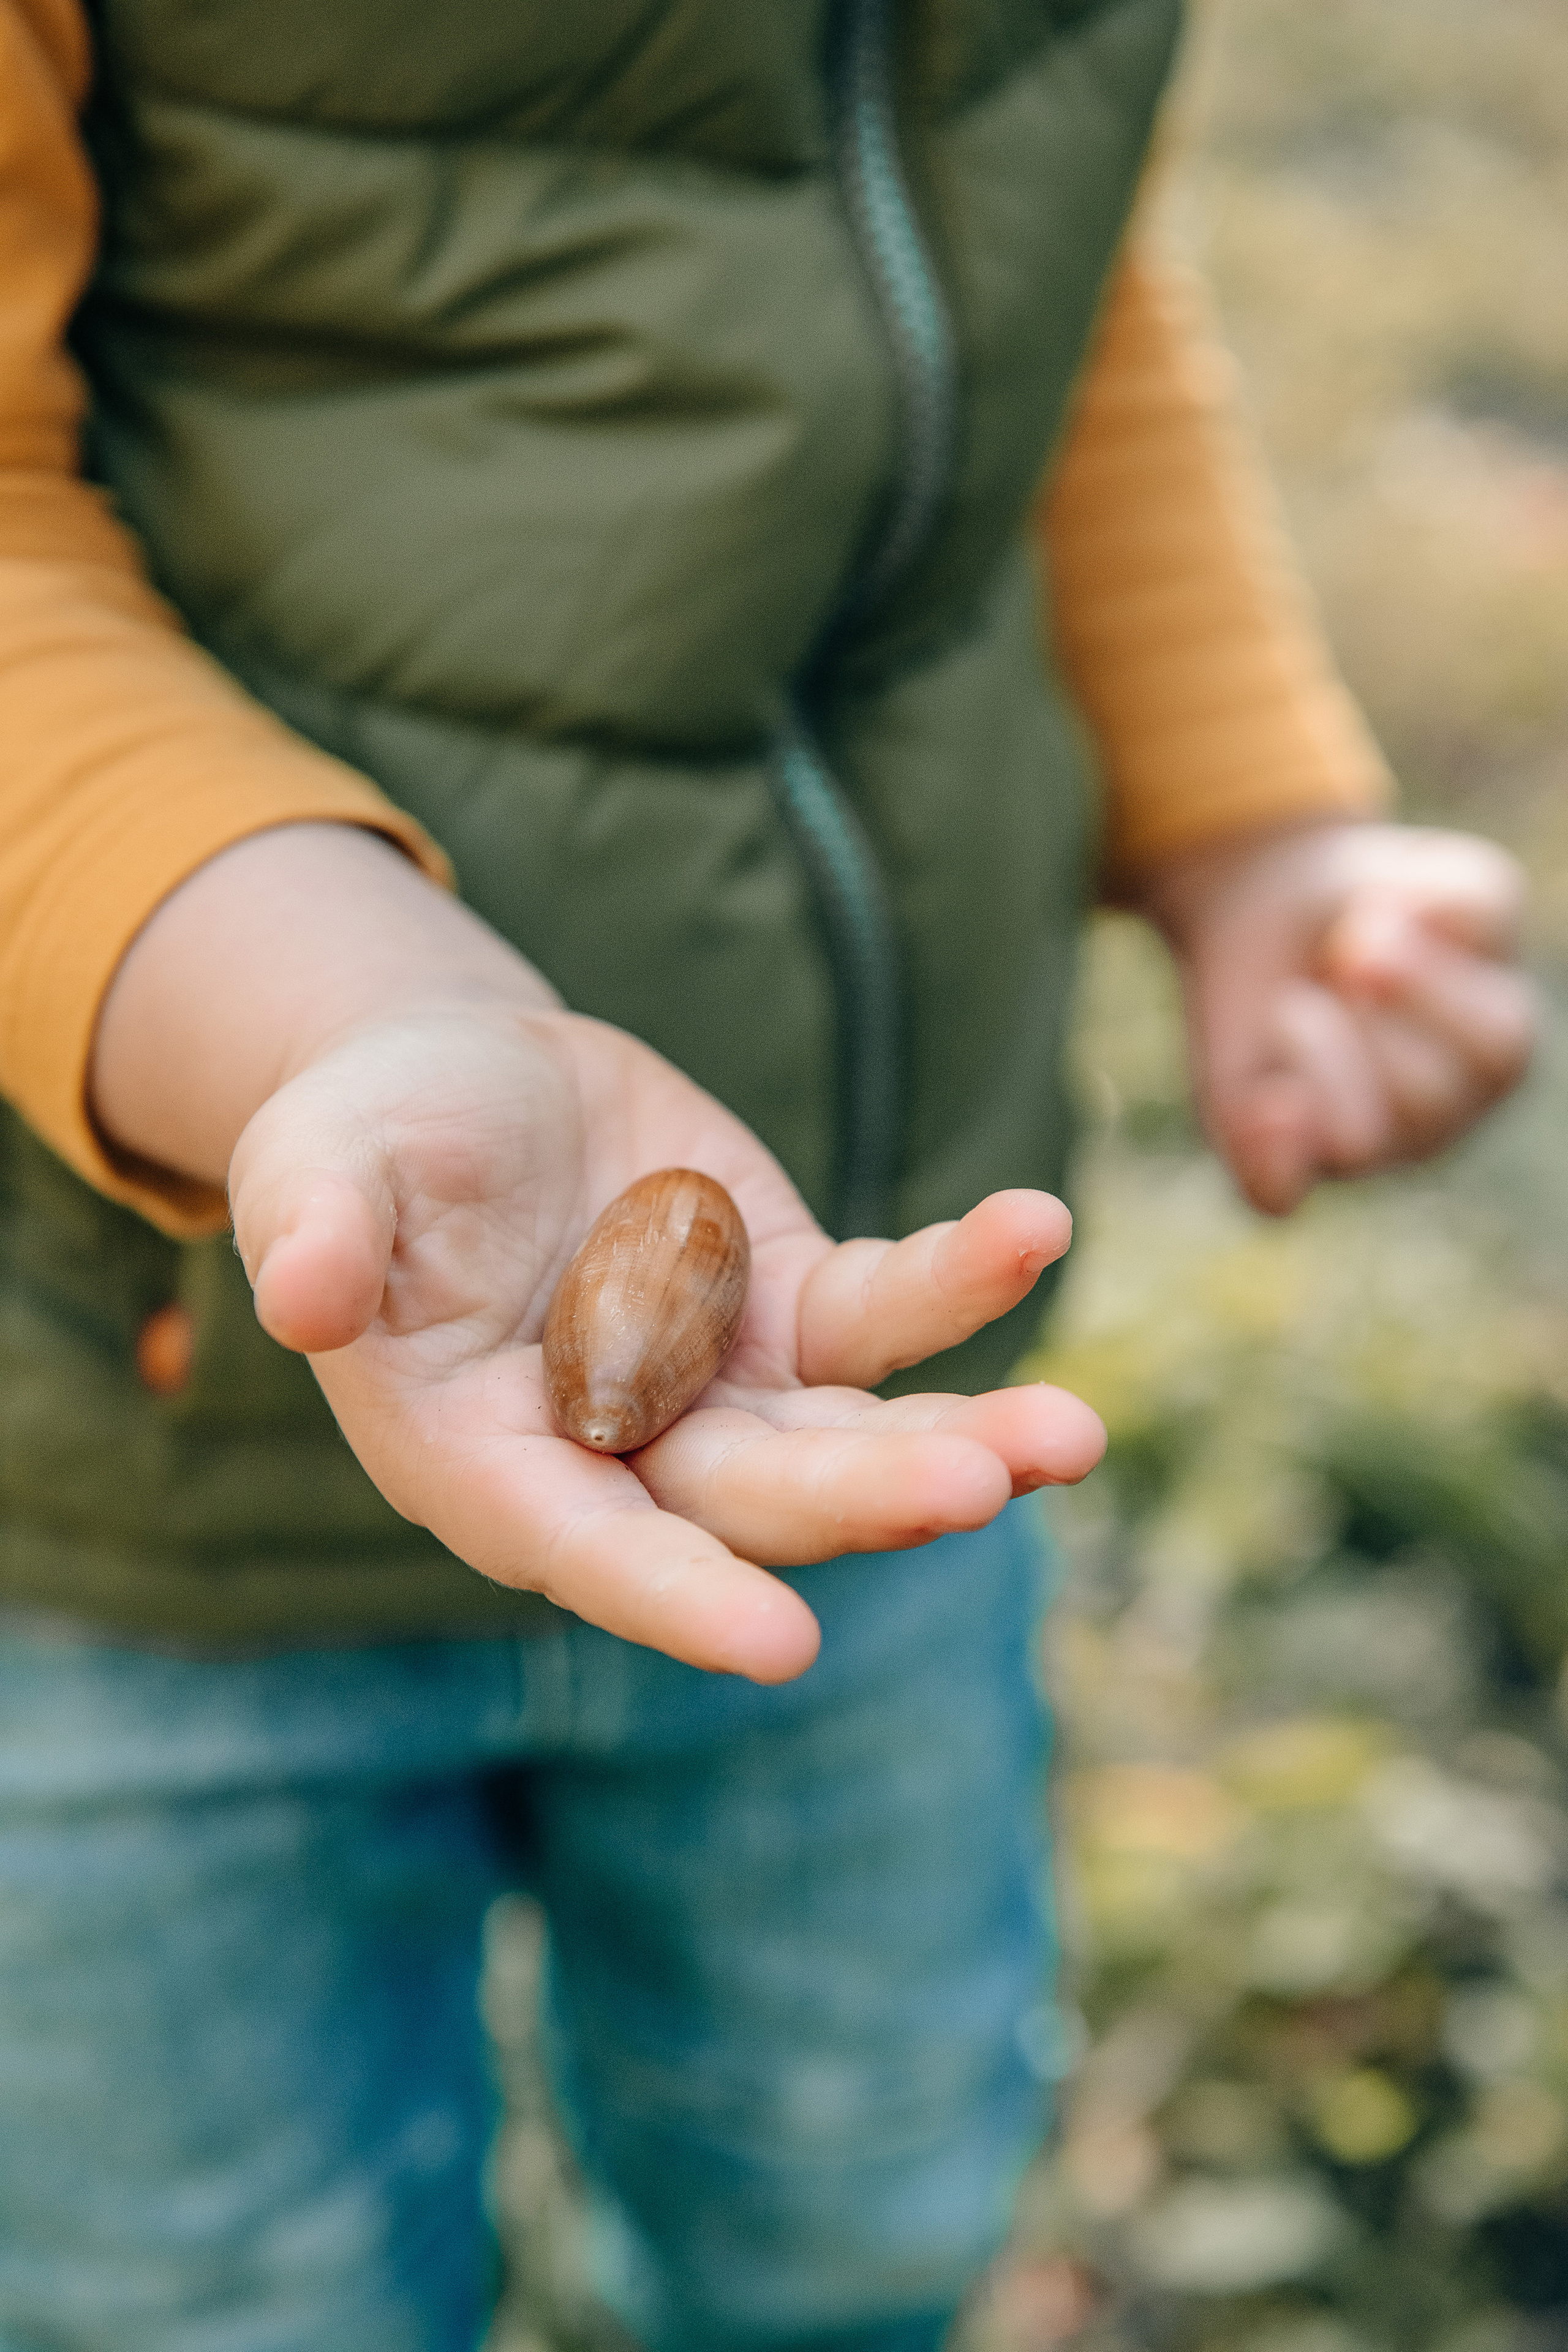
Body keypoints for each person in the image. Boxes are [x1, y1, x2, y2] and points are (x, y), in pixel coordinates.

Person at [0, 1, 1535, 2347]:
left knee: (856, 2185)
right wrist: (336, 1008)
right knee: (216, 2287)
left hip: (838, 1386)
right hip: (124, 1488)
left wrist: (1243, 808)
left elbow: (1002, 234)